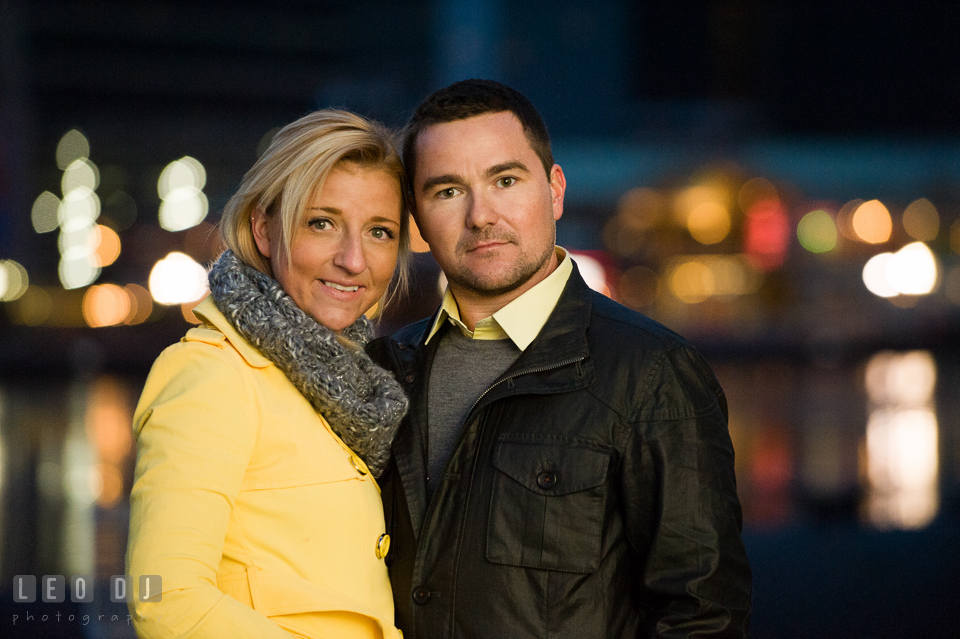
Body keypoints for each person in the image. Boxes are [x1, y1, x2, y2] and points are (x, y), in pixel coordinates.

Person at [367, 80, 752, 638]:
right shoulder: (384, 370)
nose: (481, 215)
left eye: (505, 180)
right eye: (448, 191)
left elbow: (703, 616)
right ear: (418, 221)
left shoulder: (651, 373)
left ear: (554, 191)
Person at [126, 110, 410, 639]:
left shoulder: (354, 384)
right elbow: (167, 601)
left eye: (379, 232)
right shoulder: (212, 374)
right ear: (263, 227)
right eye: (321, 223)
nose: (353, 259)